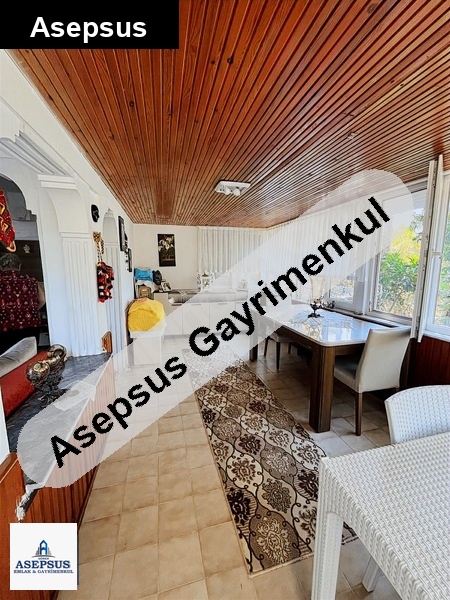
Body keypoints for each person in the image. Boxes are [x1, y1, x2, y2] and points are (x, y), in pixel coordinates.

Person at [0, 252, 42, 354]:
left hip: (5, 327)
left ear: (1, 267)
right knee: (30, 356)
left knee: (6, 359)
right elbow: (42, 300)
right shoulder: (32, 280)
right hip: (31, 325)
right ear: (19, 266)